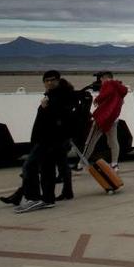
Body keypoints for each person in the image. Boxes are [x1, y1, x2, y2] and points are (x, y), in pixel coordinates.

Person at [15, 71, 78, 213]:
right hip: (47, 140)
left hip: (49, 140)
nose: (49, 82)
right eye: (47, 80)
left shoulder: (59, 97)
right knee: (46, 170)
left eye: (52, 80)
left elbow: (57, 119)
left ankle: (35, 198)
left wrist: (44, 108)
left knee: (30, 166)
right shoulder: (53, 95)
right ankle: (48, 199)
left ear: (58, 81)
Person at [83, 71, 127, 171]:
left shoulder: (108, 84)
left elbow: (105, 94)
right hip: (113, 119)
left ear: (105, 78)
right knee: (113, 141)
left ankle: (81, 163)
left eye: (101, 79)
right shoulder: (119, 88)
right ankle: (114, 164)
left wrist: (97, 99)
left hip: (103, 118)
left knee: (90, 141)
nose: (100, 82)